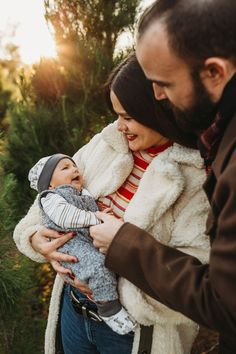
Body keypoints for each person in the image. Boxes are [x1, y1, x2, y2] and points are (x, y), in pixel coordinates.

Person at [13, 54, 210, 354]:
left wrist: (114, 286)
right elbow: (48, 200)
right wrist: (37, 239)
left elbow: (200, 278)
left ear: (161, 109)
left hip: (132, 332)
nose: (118, 126)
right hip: (74, 310)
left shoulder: (197, 177)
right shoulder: (105, 144)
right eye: (116, 114)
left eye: (128, 116)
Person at [89, 1, 236, 353]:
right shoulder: (217, 133)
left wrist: (123, 244)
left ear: (214, 72)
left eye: (163, 82)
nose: (155, 96)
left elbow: (226, 302)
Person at [28, 153, 136, 335]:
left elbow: (91, 210)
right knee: (97, 265)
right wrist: (96, 218)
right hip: (69, 242)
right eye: (65, 168)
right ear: (49, 184)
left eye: (74, 166)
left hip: (85, 240)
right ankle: (108, 308)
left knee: (109, 261)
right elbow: (65, 217)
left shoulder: (82, 193)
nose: (75, 169)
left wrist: (102, 213)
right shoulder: (50, 197)